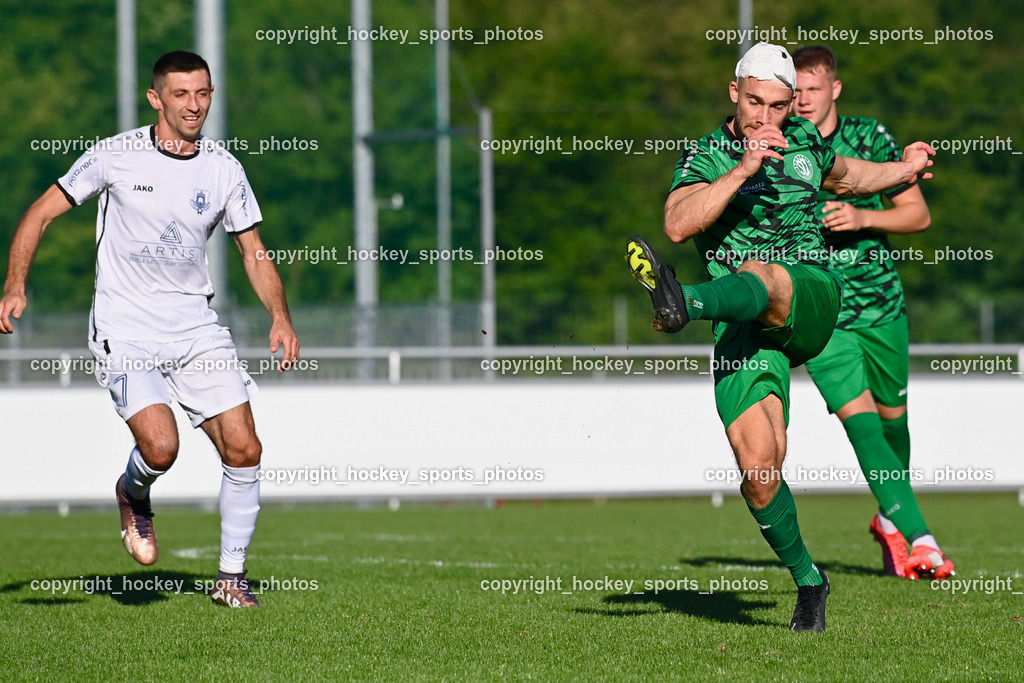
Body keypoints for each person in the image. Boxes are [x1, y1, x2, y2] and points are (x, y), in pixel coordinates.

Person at [625, 43, 934, 632]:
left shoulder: (807, 140)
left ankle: (684, 301)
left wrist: (906, 168)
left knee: (764, 274)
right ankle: (810, 582)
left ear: (792, 103)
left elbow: (852, 176)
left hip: (810, 294)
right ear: (733, 93)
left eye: (777, 105)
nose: (764, 117)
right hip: (742, 322)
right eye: (754, 103)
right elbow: (676, 222)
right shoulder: (707, 154)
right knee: (759, 471)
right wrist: (742, 169)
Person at [0, 51, 299, 608]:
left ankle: (230, 579)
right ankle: (132, 492)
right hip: (126, 328)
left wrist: (279, 316)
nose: (194, 105)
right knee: (161, 449)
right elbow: (38, 214)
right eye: (181, 94)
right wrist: (16, 284)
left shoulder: (224, 169)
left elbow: (253, 250)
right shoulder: (114, 156)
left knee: (245, 448)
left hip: (195, 328)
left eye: (203, 93)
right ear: (156, 99)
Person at [792, 45, 953, 581]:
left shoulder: (868, 138)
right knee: (860, 425)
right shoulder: (783, 145)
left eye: (814, 89)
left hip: (882, 306)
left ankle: (889, 520)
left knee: (893, 425)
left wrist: (862, 216)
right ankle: (923, 540)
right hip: (823, 316)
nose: (803, 100)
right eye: (795, 90)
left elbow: (917, 215)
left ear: (834, 89)